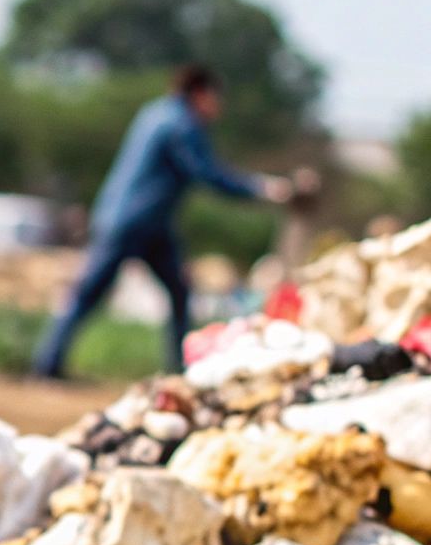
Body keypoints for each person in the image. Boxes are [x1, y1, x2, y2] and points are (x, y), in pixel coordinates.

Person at [31, 65, 292, 378]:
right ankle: (47, 365)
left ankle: (179, 369)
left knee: (178, 291)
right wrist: (262, 188)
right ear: (200, 94)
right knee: (90, 293)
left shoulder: (155, 113)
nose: (219, 106)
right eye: (216, 98)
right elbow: (207, 173)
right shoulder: (181, 124)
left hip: (141, 222)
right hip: (133, 222)